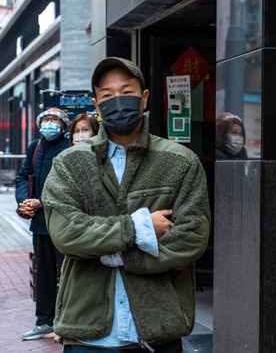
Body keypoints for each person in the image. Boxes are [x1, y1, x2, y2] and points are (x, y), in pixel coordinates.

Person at [42, 57, 211, 352]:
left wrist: (121, 258)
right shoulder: (70, 162)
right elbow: (66, 232)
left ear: (144, 98)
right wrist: (139, 227)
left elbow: (192, 236)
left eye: (127, 92)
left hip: (159, 330)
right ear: (96, 105)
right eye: (107, 96)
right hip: (87, 333)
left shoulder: (180, 161)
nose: (117, 101)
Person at [15, 107, 70, 340]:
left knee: (68, 274)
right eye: (45, 120)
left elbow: (70, 187)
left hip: (65, 223)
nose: (49, 124)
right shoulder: (34, 148)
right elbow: (22, 176)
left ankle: (68, 323)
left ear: (65, 127)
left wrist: (42, 202)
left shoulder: (70, 150)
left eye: (54, 121)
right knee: (44, 275)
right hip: (40, 224)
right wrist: (23, 201)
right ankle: (44, 322)